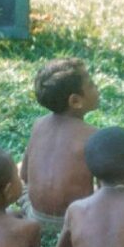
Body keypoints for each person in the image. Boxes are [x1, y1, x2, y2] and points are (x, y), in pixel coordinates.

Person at [21, 58, 99, 237]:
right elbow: (104, 187)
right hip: (76, 219)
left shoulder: (38, 124)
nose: (97, 88)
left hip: (35, 216)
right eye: (92, 84)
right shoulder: (93, 135)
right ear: (75, 101)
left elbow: (24, 176)